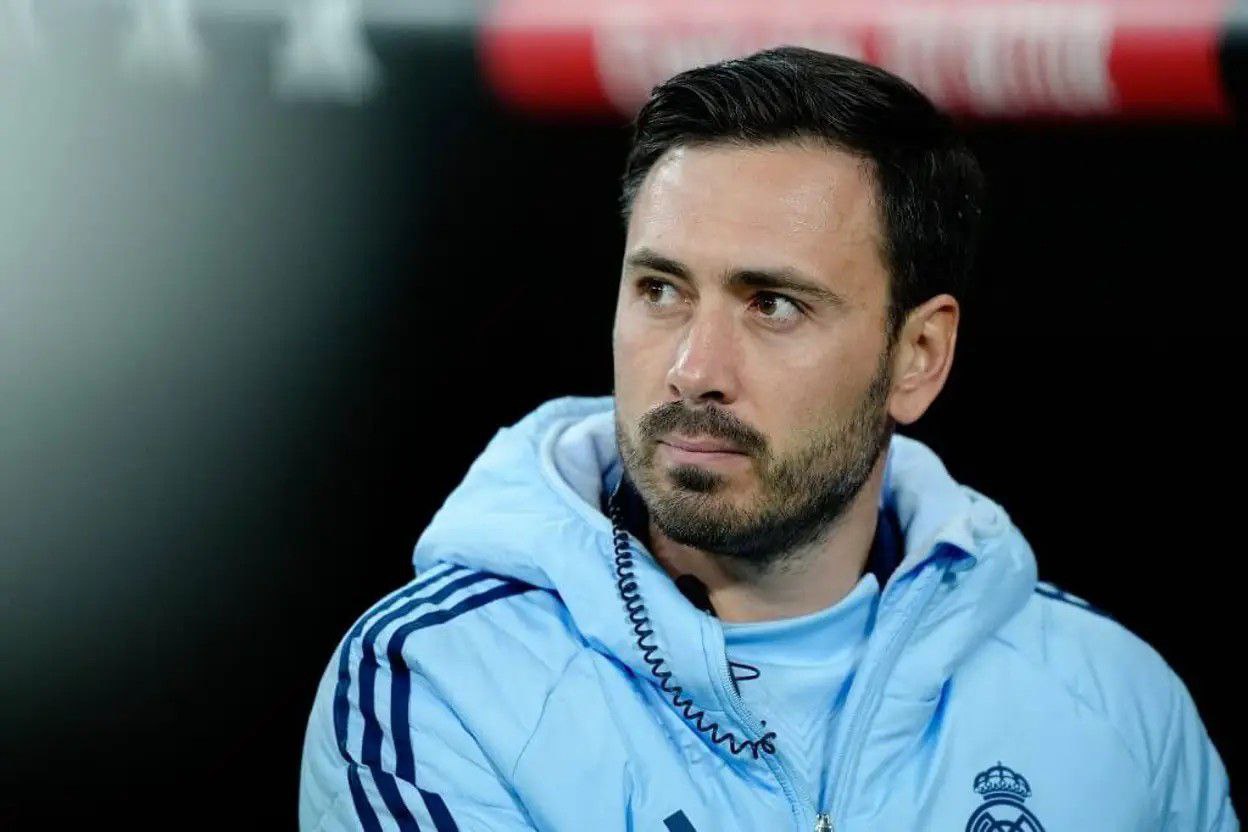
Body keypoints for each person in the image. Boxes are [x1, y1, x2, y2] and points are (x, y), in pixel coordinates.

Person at [298, 47, 1236, 831]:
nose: (693, 368)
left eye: (774, 304)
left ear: (917, 356)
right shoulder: (440, 684)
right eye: (661, 290)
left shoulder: (1116, 705)